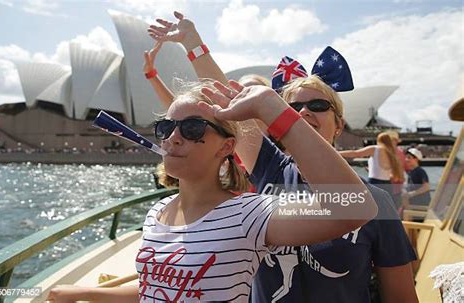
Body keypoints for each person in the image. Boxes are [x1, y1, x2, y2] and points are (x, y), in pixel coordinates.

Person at [147, 11, 418, 303]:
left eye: (317, 105)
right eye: (291, 108)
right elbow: (219, 92)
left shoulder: (376, 200)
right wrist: (193, 42)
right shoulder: (269, 169)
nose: (302, 113)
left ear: (339, 124)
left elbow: (401, 297)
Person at [47, 81, 377, 302]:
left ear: (227, 147)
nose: (174, 137)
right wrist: (85, 292)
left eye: (192, 129)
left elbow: (354, 208)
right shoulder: (156, 215)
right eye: (166, 127)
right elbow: (158, 288)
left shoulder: (248, 214)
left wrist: (271, 108)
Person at [340, 132, 405, 199]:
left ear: (379, 140)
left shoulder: (375, 149)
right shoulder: (392, 153)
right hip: (388, 185)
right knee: (384, 207)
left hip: (375, 182)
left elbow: (355, 153)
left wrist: (337, 152)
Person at [386, 130, 407, 209]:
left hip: (390, 185)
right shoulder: (400, 152)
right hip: (397, 186)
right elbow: (405, 168)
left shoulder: (388, 153)